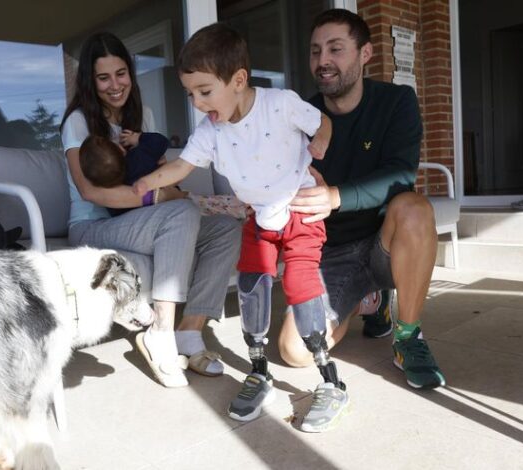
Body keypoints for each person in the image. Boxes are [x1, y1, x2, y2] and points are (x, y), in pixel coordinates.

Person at [133, 23, 349, 433]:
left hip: (299, 209)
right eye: (190, 94)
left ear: (238, 80)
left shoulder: (281, 104)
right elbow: (182, 166)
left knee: (301, 286)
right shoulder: (211, 131)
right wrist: (150, 181)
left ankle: (330, 379)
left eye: (205, 91)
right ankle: (259, 370)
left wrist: (320, 142)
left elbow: (322, 121)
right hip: (259, 216)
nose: (197, 103)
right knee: (253, 285)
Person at [59, 32, 241, 388]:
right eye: (103, 77)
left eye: (121, 73)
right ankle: (160, 331)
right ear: (90, 82)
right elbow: (89, 190)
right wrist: (154, 199)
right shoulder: (78, 122)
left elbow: (157, 172)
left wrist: (164, 192)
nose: (115, 85)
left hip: (137, 222)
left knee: (225, 228)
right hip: (92, 227)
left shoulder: (146, 116)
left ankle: (190, 332)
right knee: (183, 214)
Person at [279, 8, 446, 390]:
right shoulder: (299, 117)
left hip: (385, 243)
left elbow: (400, 174)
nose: (323, 61)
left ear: (365, 54)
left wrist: (335, 195)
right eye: (316, 51)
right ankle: (367, 299)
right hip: (332, 251)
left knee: (415, 207)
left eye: (336, 49)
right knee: (295, 351)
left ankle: (407, 337)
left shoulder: (397, 101)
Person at [80, 132, 248, 219]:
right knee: (225, 204)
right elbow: (159, 142)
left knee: (209, 209)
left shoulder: (113, 203)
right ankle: (251, 211)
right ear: (120, 149)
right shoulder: (138, 157)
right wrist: (138, 138)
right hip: (182, 200)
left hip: (168, 212)